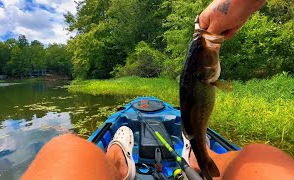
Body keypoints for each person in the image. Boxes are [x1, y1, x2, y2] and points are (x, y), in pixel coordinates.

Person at [23, 0, 294, 179]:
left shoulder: (205, 73)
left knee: (65, 147)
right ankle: (204, 156)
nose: (202, 46)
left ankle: (118, 162)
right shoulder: (206, 73)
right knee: (263, 155)